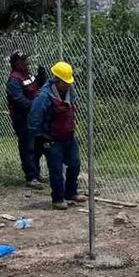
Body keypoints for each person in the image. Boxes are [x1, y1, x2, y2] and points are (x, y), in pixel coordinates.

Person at [28, 61, 86, 210]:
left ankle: (71, 192)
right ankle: (58, 199)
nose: (67, 85)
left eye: (69, 82)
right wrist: (40, 137)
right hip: (52, 138)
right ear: (56, 79)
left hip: (68, 136)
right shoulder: (44, 96)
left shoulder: (69, 91)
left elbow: (72, 108)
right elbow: (34, 118)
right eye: (64, 82)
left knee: (75, 163)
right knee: (56, 169)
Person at [6, 51, 47, 188]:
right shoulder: (14, 79)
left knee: (38, 146)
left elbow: (37, 86)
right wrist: (36, 106)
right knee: (27, 147)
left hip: (33, 117)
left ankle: (36, 173)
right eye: (24, 61)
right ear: (17, 64)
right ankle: (30, 177)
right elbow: (19, 100)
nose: (27, 63)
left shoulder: (27, 76)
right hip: (22, 118)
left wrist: (41, 77)